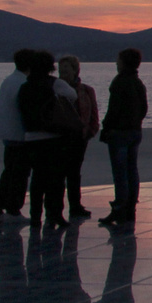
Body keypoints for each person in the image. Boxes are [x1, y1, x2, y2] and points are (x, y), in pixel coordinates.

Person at [19, 50, 74, 229]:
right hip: (53, 137)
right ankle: (55, 214)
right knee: (56, 179)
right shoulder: (55, 83)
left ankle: (35, 216)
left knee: (37, 179)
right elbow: (72, 95)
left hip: (31, 138)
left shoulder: (25, 86)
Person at [99, 48, 147, 226]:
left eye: (118, 60)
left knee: (120, 173)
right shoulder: (137, 82)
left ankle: (120, 208)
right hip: (135, 131)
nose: (116, 63)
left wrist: (106, 127)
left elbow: (114, 109)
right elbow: (144, 108)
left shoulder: (120, 82)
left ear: (123, 62)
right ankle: (130, 208)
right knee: (131, 170)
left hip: (120, 132)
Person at [0, 49, 34, 220]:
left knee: (9, 172)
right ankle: (13, 209)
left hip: (9, 135)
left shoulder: (9, 80)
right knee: (19, 174)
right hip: (18, 135)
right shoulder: (22, 83)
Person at [57, 56, 99, 220]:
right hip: (60, 138)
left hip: (79, 138)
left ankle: (75, 206)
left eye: (66, 71)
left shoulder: (86, 91)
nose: (63, 75)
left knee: (74, 173)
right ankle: (57, 209)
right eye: (61, 71)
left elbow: (94, 115)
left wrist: (91, 131)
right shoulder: (56, 90)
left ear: (75, 71)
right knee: (59, 174)